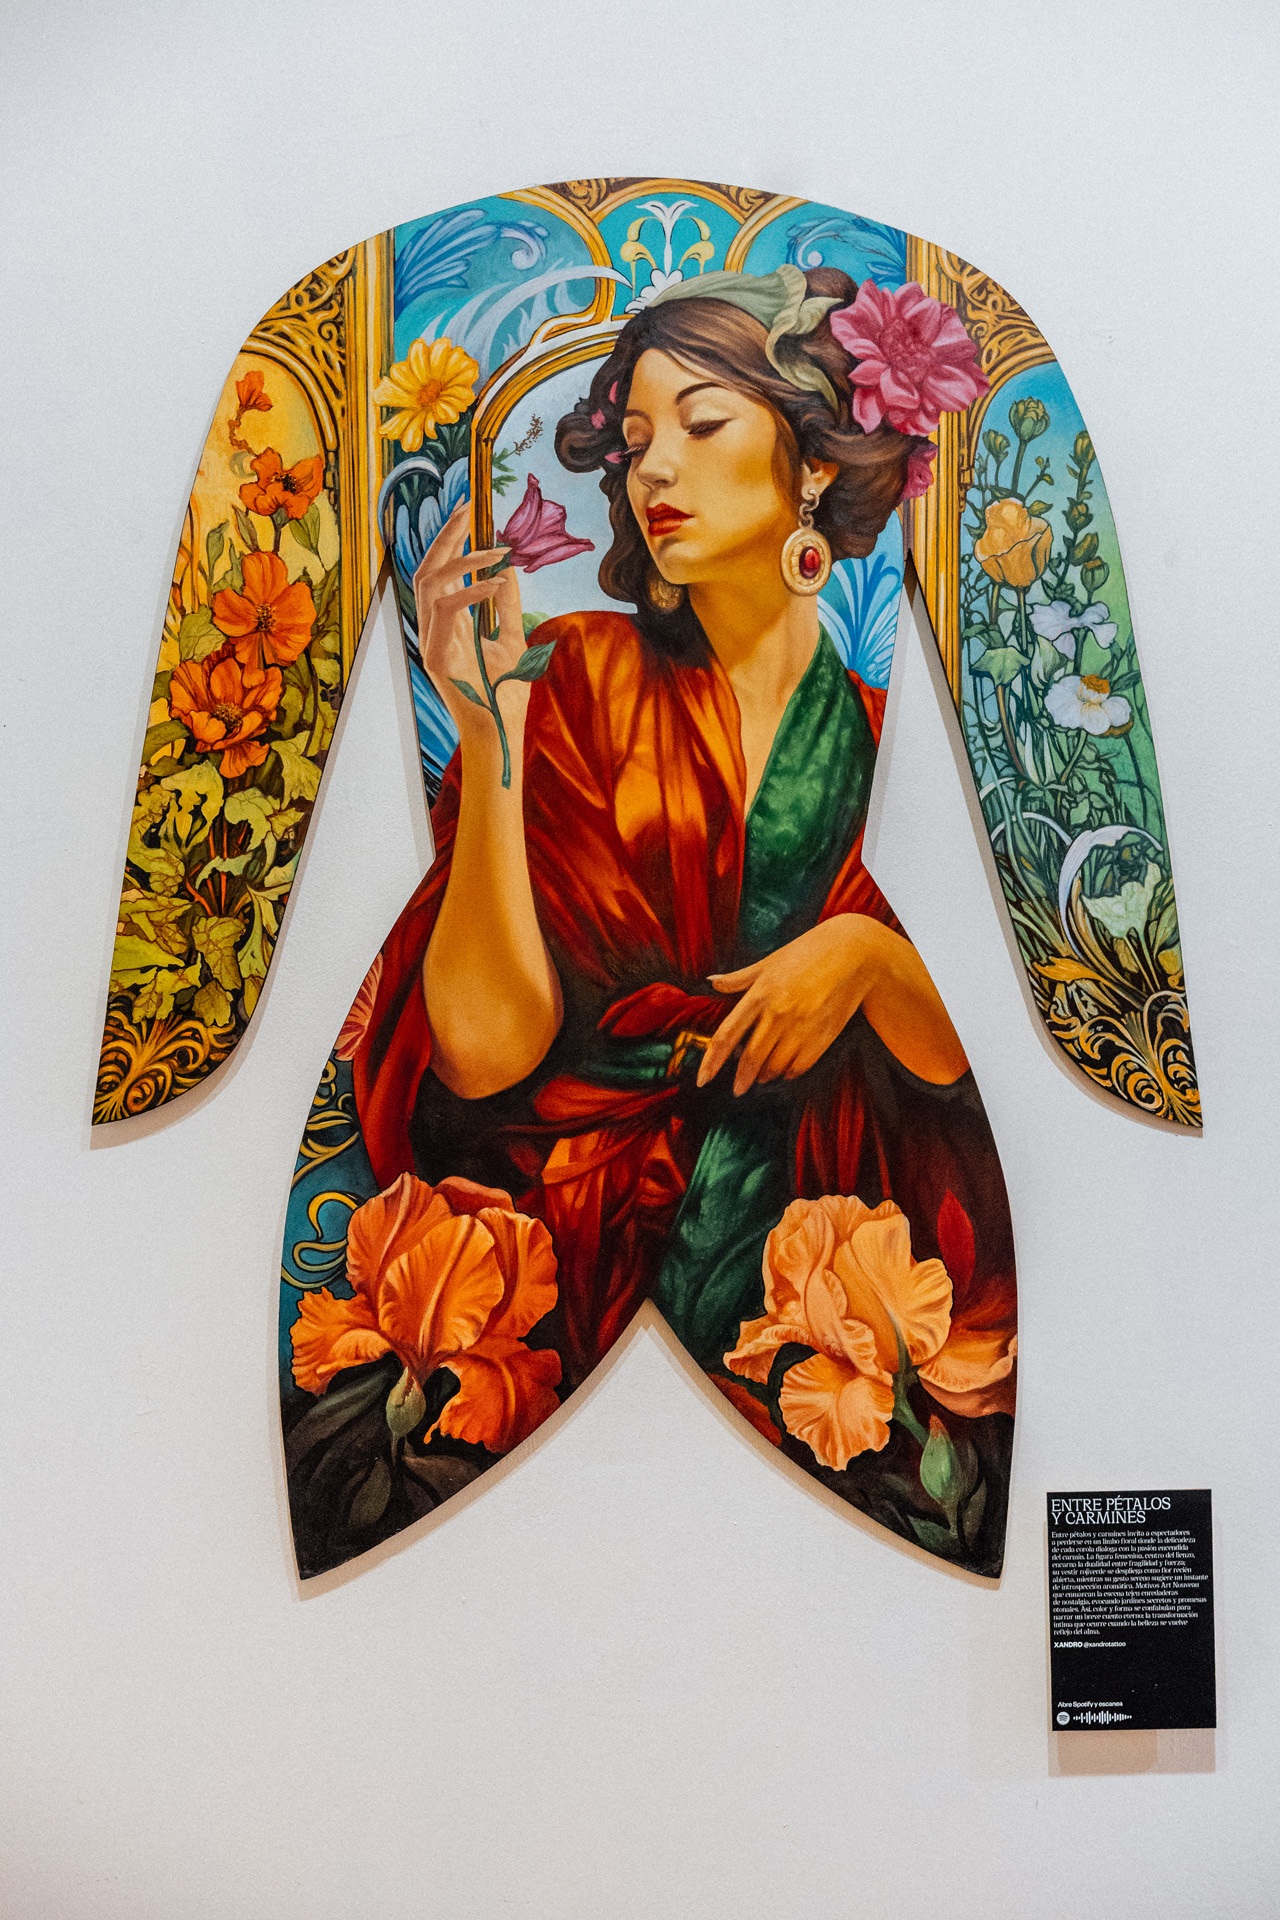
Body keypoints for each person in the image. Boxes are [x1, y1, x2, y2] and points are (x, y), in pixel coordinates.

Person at [299, 266, 1017, 1575]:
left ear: (811, 462)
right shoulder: (569, 676)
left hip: (821, 1251)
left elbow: (946, 1077)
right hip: (556, 1235)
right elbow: (485, 1055)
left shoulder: (868, 736)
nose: (653, 470)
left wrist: (864, 958)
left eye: (700, 421)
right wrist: (490, 734)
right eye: (633, 441)